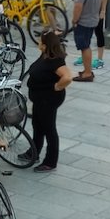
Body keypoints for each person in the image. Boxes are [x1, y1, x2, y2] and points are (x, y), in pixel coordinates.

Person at [24, 30, 72, 172]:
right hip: (40, 99)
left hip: (48, 100)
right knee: (37, 125)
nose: (39, 43)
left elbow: (67, 77)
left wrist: (56, 86)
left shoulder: (55, 60)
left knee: (49, 128)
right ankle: (34, 152)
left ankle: (50, 162)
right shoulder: (45, 55)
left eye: (40, 41)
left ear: (45, 45)